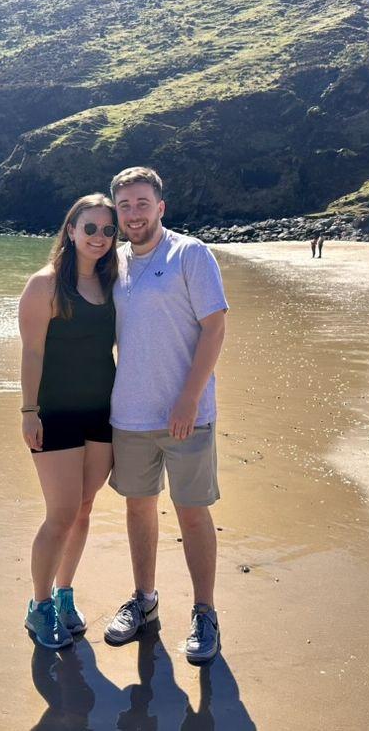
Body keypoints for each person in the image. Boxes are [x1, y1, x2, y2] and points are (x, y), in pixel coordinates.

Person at [104, 166, 228, 664]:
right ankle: (144, 600)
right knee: (138, 509)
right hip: (129, 414)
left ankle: (204, 611)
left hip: (186, 415)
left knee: (191, 512)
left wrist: (189, 398)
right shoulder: (114, 263)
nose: (134, 214)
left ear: (161, 207)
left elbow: (215, 327)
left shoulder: (189, 254)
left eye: (142, 203)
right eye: (125, 206)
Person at [18, 193, 119, 649]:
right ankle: (39, 606)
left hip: (102, 411)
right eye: (90, 227)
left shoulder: (113, 282)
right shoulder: (45, 285)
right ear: (72, 230)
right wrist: (28, 411)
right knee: (60, 514)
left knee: (83, 508)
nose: (99, 237)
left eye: (108, 229)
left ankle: (64, 593)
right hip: (55, 412)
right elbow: (32, 351)